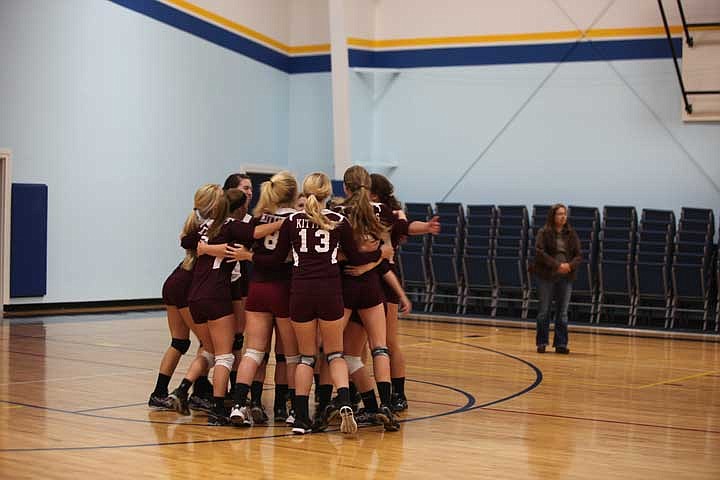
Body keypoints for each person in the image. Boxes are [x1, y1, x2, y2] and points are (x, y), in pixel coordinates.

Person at [238, 172, 393, 435]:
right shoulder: (339, 221)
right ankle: (344, 402)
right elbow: (355, 257)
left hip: (300, 293)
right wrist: (380, 253)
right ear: (328, 194)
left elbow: (276, 259)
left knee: (305, 358)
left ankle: (300, 418)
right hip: (330, 292)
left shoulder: (292, 222)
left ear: (304, 192)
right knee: (335, 354)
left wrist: (249, 255)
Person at [532, 203, 582, 354]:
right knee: (544, 310)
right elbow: (540, 252)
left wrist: (569, 266)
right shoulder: (544, 232)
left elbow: (578, 255)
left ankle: (561, 344)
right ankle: (542, 342)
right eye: (560, 214)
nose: (563, 217)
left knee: (563, 312)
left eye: (564, 214)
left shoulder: (571, 233)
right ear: (553, 216)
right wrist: (557, 265)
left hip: (565, 276)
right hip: (546, 276)